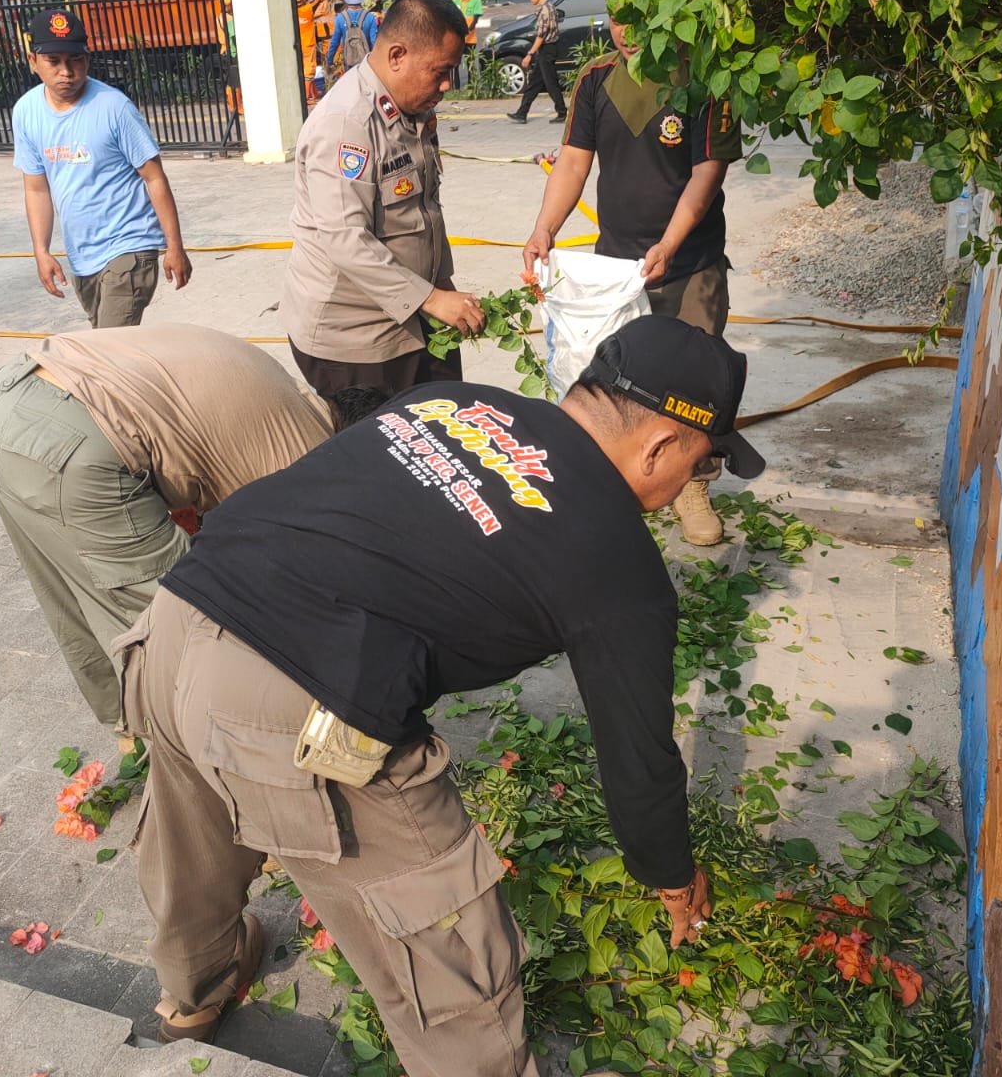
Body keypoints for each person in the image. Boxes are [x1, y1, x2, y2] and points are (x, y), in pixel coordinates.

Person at [112, 314, 761, 1059]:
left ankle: (193, 994)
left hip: (176, 619)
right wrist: (671, 873)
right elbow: (638, 758)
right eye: (704, 464)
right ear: (661, 444)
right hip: (299, 699)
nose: (691, 484)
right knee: (453, 960)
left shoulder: (450, 402)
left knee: (191, 830)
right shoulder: (620, 564)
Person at [0, 324, 387, 733]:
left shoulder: (279, 384)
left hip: (10, 395)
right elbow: (292, 573)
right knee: (180, 615)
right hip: (76, 442)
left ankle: (124, 723)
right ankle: (185, 743)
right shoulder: (309, 449)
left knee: (66, 586)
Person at [522, 17, 743, 544]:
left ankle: (693, 483)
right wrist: (543, 229)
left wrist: (670, 243)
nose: (626, 31)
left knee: (692, 382)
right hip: (617, 271)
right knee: (621, 381)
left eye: (639, 18)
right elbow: (573, 163)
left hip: (688, 264)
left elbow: (706, 174)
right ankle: (614, 478)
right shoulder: (596, 79)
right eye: (618, 17)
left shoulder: (702, 81)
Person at [282, 0, 484, 398]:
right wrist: (431, 299)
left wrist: (442, 283)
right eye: (440, 71)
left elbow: (425, 208)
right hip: (356, 340)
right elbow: (346, 239)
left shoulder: (412, 110)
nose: (447, 85)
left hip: (418, 315)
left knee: (449, 421)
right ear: (397, 56)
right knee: (383, 440)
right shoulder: (347, 124)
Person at [12, 7, 190, 328]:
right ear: (32, 61)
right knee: (107, 346)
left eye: (75, 60)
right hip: (83, 257)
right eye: (53, 61)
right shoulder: (26, 112)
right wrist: (41, 250)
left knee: (109, 345)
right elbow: (36, 188)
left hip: (130, 246)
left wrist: (174, 246)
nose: (66, 71)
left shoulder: (114, 107)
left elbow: (154, 177)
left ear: (88, 59)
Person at [506, 0, 567, 124]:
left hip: (547, 49)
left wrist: (530, 54)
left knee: (550, 83)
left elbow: (541, 36)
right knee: (534, 83)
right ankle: (522, 113)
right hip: (547, 49)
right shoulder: (550, 7)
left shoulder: (545, 10)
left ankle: (562, 112)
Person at [325, 0, 379, 72]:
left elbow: (335, 42)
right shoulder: (370, 17)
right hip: (366, 64)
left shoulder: (340, 18)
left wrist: (330, 60)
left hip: (349, 64)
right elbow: (374, 42)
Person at [453, 0, 483, 84]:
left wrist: (467, 32)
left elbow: (475, 20)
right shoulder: (456, 1)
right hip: (458, 40)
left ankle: (471, 86)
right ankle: (456, 88)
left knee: (470, 63)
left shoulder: (476, 1)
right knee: (455, 64)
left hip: (470, 39)